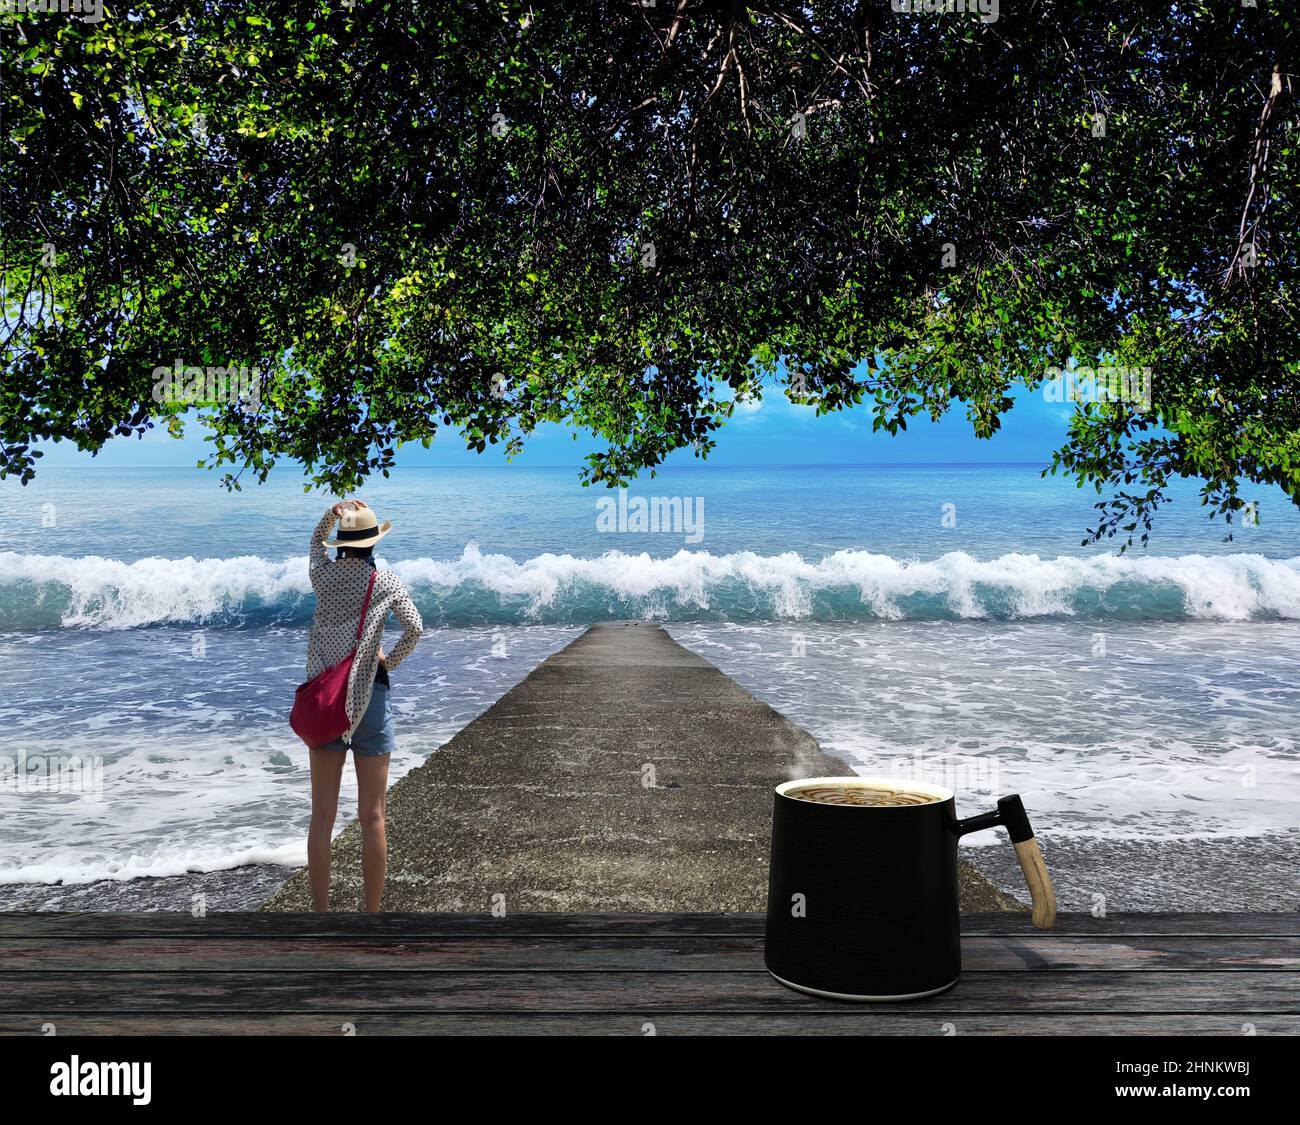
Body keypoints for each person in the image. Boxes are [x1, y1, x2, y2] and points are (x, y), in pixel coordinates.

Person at [304, 499, 423, 911]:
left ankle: (321, 917)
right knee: (372, 818)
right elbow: (415, 626)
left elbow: (314, 546)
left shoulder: (322, 576)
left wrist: (329, 514)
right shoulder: (385, 580)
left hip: (326, 703)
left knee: (322, 818)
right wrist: (391, 657)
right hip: (371, 699)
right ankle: (370, 916)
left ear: (341, 543)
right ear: (373, 542)